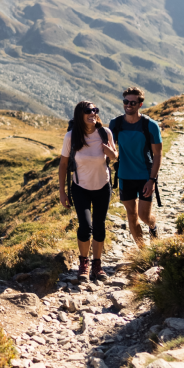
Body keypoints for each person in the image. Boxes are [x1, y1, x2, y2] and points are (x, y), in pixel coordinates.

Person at [58, 100, 118, 280]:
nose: (92, 113)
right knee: (85, 226)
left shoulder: (105, 132)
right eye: (88, 111)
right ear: (79, 115)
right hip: (80, 188)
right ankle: (83, 262)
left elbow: (115, 157)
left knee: (99, 227)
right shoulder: (71, 137)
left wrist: (110, 153)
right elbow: (62, 165)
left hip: (103, 186)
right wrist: (62, 191)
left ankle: (97, 265)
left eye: (95, 110)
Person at [108, 87, 163, 248]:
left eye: (133, 102)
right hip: (125, 176)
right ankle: (143, 251)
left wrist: (152, 180)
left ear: (140, 104)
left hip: (145, 176)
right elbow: (108, 149)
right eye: (126, 102)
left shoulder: (150, 126)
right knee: (131, 215)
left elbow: (158, 155)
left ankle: (153, 227)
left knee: (144, 216)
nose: (128, 105)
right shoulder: (115, 124)